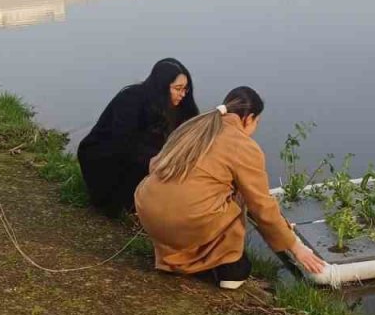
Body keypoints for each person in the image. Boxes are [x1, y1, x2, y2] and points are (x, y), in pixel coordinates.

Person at [135, 86, 326, 289]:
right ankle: (227, 265)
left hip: (150, 213)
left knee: (202, 193)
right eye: (257, 123)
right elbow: (261, 206)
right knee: (242, 196)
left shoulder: (193, 127)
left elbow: (154, 164)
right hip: (184, 221)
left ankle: (174, 258)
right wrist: (296, 247)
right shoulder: (243, 145)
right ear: (249, 118)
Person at [77, 58, 199, 217]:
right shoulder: (130, 99)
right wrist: (163, 159)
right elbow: (123, 142)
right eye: (178, 88)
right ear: (161, 87)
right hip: (107, 159)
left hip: (144, 159)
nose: (183, 94)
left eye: (186, 89)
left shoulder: (179, 108)